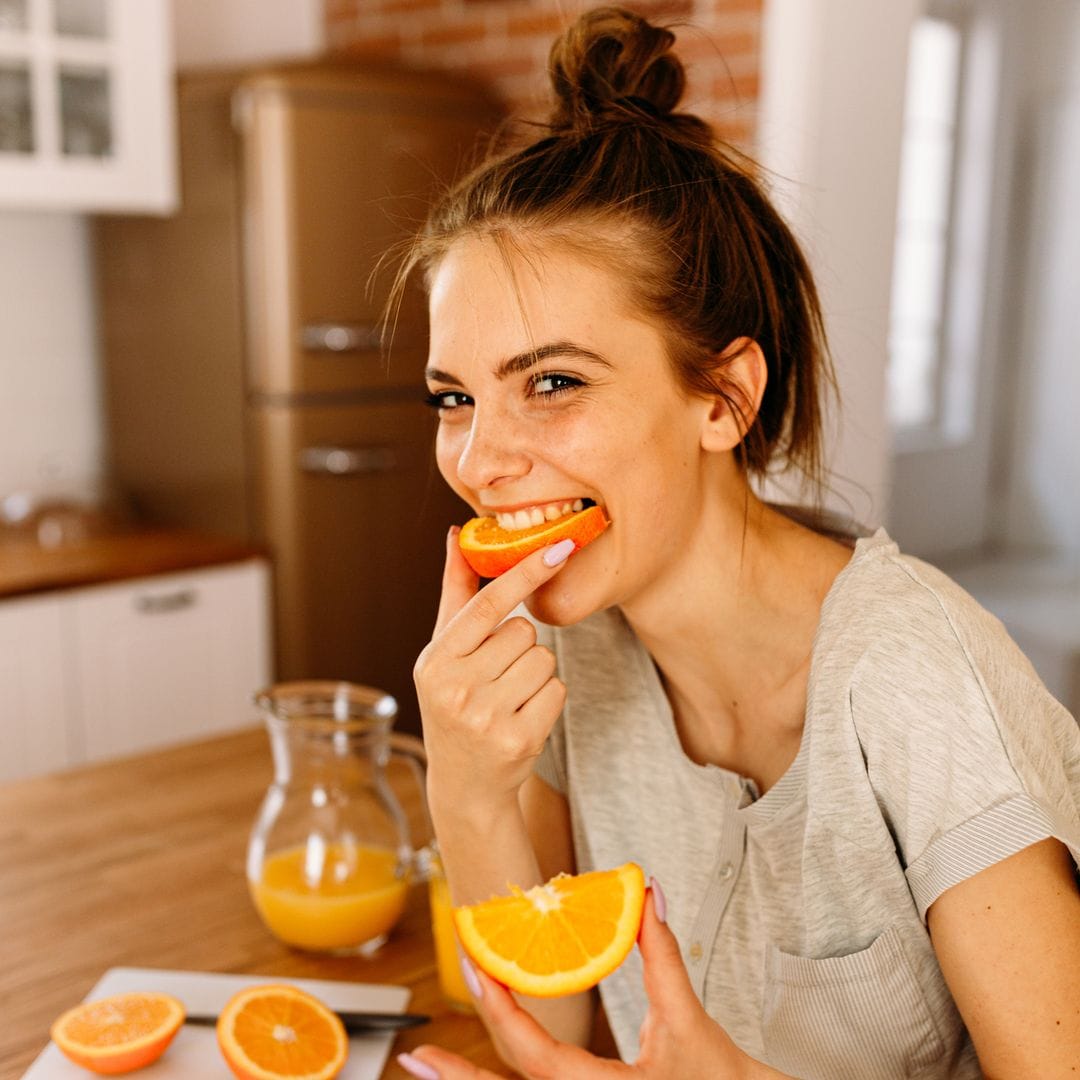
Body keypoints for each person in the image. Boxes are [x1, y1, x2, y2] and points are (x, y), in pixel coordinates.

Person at [393, 7, 1080, 1078]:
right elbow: (555, 1026)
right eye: (453, 398)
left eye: (554, 384)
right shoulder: (571, 648)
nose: (480, 461)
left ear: (724, 398)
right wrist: (468, 785)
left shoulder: (915, 680)